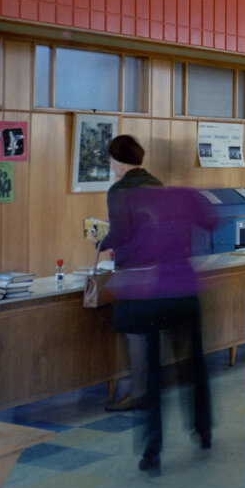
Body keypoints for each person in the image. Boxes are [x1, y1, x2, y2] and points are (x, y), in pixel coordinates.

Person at [107, 184, 218, 473]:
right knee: (194, 364)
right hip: (183, 289)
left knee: (153, 374)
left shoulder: (130, 197)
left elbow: (120, 242)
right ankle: (203, 429)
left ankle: (151, 450)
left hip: (150, 295)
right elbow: (212, 222)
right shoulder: (185, 194)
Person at [95, 135, 162, 413]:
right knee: (151, 331)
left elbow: (120, 232)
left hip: (133, 269)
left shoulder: (119, 190)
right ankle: (150, 388)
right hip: (160, 267)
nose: (111, 166)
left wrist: (100, 242)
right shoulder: (157, 185)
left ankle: (138, 393)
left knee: (134, 333)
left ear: (120, 160)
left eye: (112, 160)